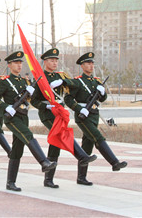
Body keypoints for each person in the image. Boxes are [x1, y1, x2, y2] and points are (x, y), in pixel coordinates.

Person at [30, 48, 97, 188]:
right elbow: (34, 100)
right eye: (51, 60)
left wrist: (63, 82)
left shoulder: (60, 76)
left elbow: (73, 85)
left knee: (55, 144)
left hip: (60, 112)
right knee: (62, 133)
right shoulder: (40, 77)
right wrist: (46, 107)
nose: (54, 63)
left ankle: (48, 180)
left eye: (56, 60)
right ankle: (81, 156)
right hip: (48, 113)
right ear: (45, 61)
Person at [0, 51, 57, 191]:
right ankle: (43, 161)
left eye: (20, 62)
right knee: (28, 135)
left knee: (17, 149)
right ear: (9, 65)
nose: (19, 65)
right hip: (12, 117)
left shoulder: (25, 82)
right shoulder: (5, 82)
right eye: (16, 62)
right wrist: (6, 107)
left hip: (23, 115)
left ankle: (10, 182)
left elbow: (31, 100)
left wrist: (31, 95)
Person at [65, 52, 127, 185]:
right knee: (98, 137)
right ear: (82, 66)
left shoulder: (96, 81)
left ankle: (81, 177)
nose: (91, 65)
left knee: (87, 146)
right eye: (88, 63)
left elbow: (102, 98)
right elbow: (68, 99)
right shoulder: (77, 82)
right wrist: (78, 108)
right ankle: (114, 162)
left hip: (94, 115)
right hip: (83, 116)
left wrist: (103, 92)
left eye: (92, 63)